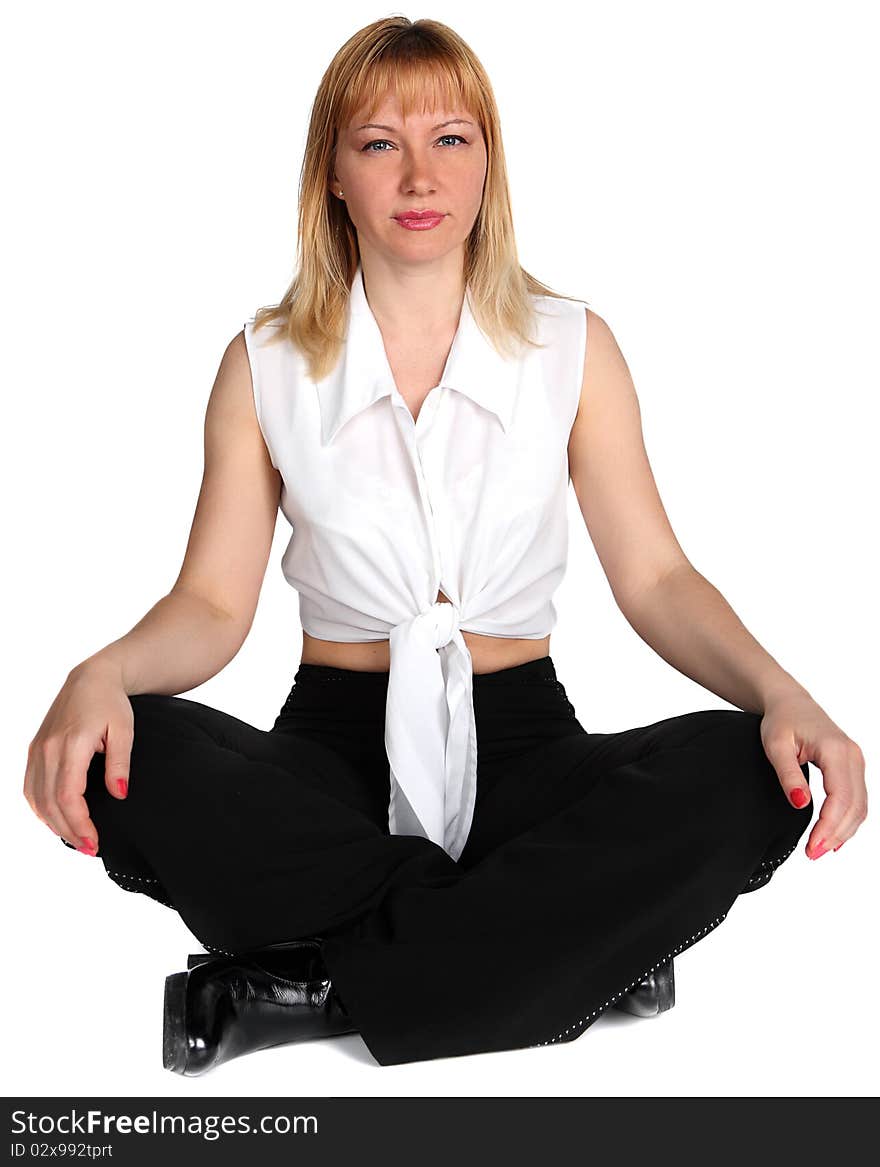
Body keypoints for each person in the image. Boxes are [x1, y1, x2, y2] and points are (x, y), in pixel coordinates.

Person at [23, 15, 866, 1075]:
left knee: (749, 769)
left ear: (487, 163)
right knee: (123, 759)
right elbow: (211, 605)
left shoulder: (572, 347)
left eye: (450, 140)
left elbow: (655, 579)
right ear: (332, 173)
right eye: (378, 143)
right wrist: (96, 675)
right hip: (330, 752)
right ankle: (568, 948)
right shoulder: (264, 363)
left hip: (527, 747)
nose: (418, 174)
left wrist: (786, 692)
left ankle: (308, 990)